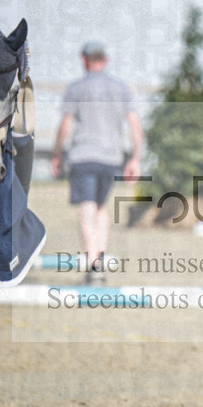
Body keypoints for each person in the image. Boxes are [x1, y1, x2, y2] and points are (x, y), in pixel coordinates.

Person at [50, 42, 143, 284]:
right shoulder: (120, 87)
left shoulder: (76, 88)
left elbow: (65, 125)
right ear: (106, 60)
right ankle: (98, 261)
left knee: (87, 208)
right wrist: (135, 158)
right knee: (102, 209)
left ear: (84, 60)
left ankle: (94, 264)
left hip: (83, 155)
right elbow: (134, 125)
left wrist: (56, 153)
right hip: (111, 157)